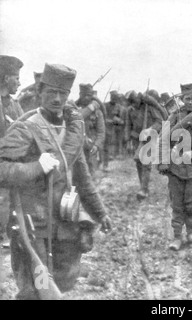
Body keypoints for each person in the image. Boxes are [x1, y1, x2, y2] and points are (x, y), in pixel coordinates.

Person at [0, 63, 112, 299]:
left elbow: (83, 178)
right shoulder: (25, 128)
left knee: (62, 283)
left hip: (65, 225)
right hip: (34, 227)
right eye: (51, 92)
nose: (57, 98)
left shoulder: (71, 130)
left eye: (63, 93)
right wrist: (36, 167)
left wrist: (100, 213)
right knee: (36, 289)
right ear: (40, 91)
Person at [158, 82, 192, 251]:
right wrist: (164, 160)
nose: (190, 102)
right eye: (187, 98)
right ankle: (176, 237)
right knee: (177, 204)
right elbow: (163, 139)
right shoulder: (174, 116)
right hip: (176, 168)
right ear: (182, 99)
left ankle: (191, 232)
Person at [0, 55, 24, 247]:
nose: (19, 82)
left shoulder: (15, 104)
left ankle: (6, 232)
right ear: (6, 78)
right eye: (16, 77)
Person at [125, 90, 164, 200]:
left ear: (139, 99)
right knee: (138, 161)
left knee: (146, 162)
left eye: (135, 101)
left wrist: (150, 129)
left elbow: (159, 121)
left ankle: (144, 189)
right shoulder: (130, 110)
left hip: (149, 137)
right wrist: (128, 140)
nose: (134, 104)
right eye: (131, 102)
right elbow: (128, 126)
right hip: (136, 138)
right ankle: (143, 185)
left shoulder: (148, 107)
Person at [75, 83, 105, 177]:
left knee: (90, 171)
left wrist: (96, 145)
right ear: (80, 95)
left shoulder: (97, 113)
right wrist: (90, 108)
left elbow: (101, 132)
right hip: (76, 145)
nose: (86, 98)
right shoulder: (74, 109)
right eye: (84, 95)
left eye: (89, 95)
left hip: (91, 146)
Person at [103, 90, 125, 170]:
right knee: (103, 147)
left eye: (115, 97)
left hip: (114, 130)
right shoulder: (105, 105)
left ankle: (106, 164)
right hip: (104, 128)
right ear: (110, 97)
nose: (114, 99)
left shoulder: (119, 107)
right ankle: (102, 164)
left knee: (109, 147)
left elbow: (122, 120)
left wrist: (118, 120)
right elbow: (101, 117)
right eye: (113, 97)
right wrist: (108, 120)